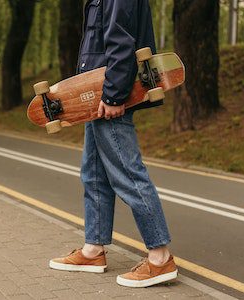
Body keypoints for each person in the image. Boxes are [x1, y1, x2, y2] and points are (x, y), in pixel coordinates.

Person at [49, 0, 178, 288]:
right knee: (94, 176)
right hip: (94, 93)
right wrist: (86, 90)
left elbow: (121, 40)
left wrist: (113, 95)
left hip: (108, 95)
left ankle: (160, 257)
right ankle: (93, 250)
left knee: (129, 175)